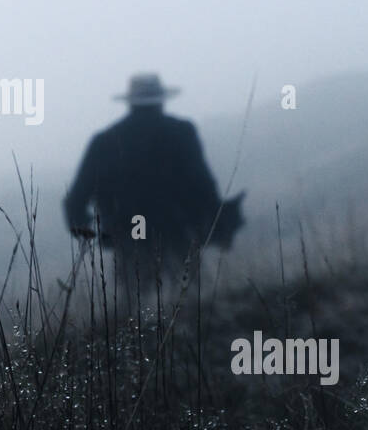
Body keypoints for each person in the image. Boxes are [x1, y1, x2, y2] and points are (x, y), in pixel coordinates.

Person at [64, 73, 244, 293]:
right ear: (161, 99)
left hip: (128, 234)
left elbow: (77, 198)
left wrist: (87, 234)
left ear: (130, 101)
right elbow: (202, 182)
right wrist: (215, 219)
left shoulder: (105, 141)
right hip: (177, 229)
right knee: (191, 300)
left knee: (133, 310)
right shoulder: (181, 132)